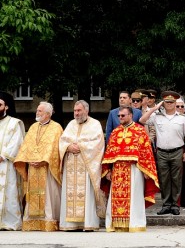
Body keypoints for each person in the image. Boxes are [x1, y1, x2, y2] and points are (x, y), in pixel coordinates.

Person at [102, 106, 159, 232]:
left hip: (134, 169)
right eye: (119, 116)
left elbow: (146, 152)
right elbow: (109, 152)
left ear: (131, 115)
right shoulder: (116, 132)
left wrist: (147, 171)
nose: (120, 118)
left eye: (123, 115)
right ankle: (116, 224)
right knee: (115, 199)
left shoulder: (140, 131)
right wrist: (108, 170)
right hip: (117, 171)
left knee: (134, 198)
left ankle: (135, 223)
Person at [140, 91, 185, 216]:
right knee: (164, 180)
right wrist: (155, 108)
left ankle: (175, 205)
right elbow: (142, 120)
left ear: (175, 103)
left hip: (177, 151)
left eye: (171, 102)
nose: (169, 104)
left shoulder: (182, 118)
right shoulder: (157, 116)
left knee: (176, 179)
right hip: (162, 152)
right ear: (163, 103)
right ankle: (166, 204)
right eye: (167, 102)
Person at [58, 100, 106, 231]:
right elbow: (62, 141)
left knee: (86, 193)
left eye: (79, 110)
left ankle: (87, 223)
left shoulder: (95, 124)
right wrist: (68, 146)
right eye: (75, 111)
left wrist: (80, 146)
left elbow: (98, 143)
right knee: (70, 194)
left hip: (86, 167)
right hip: (70, 167)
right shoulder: (71, 124)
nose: (76, 113)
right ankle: (70, 225)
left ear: (86, 110)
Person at [15, 102, 63, 231]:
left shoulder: (56, 128)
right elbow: (26, 146)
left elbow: (55, 149)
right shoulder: (33, 127)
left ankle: (48, 221)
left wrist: (45, 161)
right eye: (37, 110)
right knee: (33, 195)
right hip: (32, 167)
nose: (37, 112)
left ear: (48, 114)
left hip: (47, 168)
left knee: (47, 194)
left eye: (40, 111)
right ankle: (32, 221)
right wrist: (27, 160)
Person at [0, 91, 25, 230]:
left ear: (6, 107)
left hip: (6, 164)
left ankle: (10, 222)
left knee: (9, 192)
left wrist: (3, 156)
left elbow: (17, 142)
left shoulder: (14, 123)